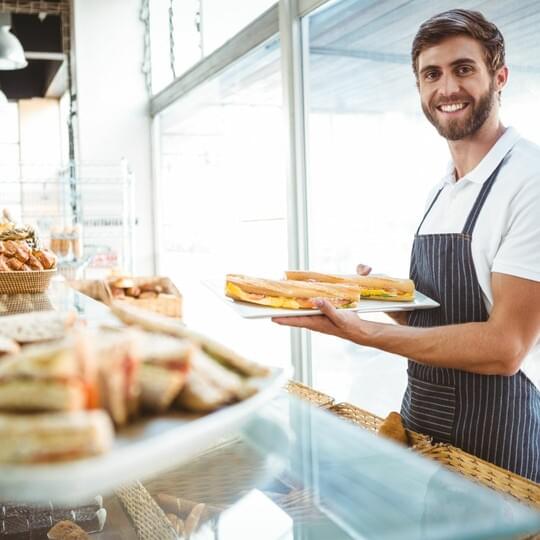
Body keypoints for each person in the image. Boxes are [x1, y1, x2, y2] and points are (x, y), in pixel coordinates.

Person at [273, 9, 540, 482]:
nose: (447, 88)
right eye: (431, 74)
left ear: (499, 77)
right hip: (423, 433)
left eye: (463, 69)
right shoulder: (444, 190)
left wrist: (365, 333)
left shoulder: (528, 181)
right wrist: (386, 300)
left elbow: (506, 345)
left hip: (498, 446)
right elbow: (447, 317)